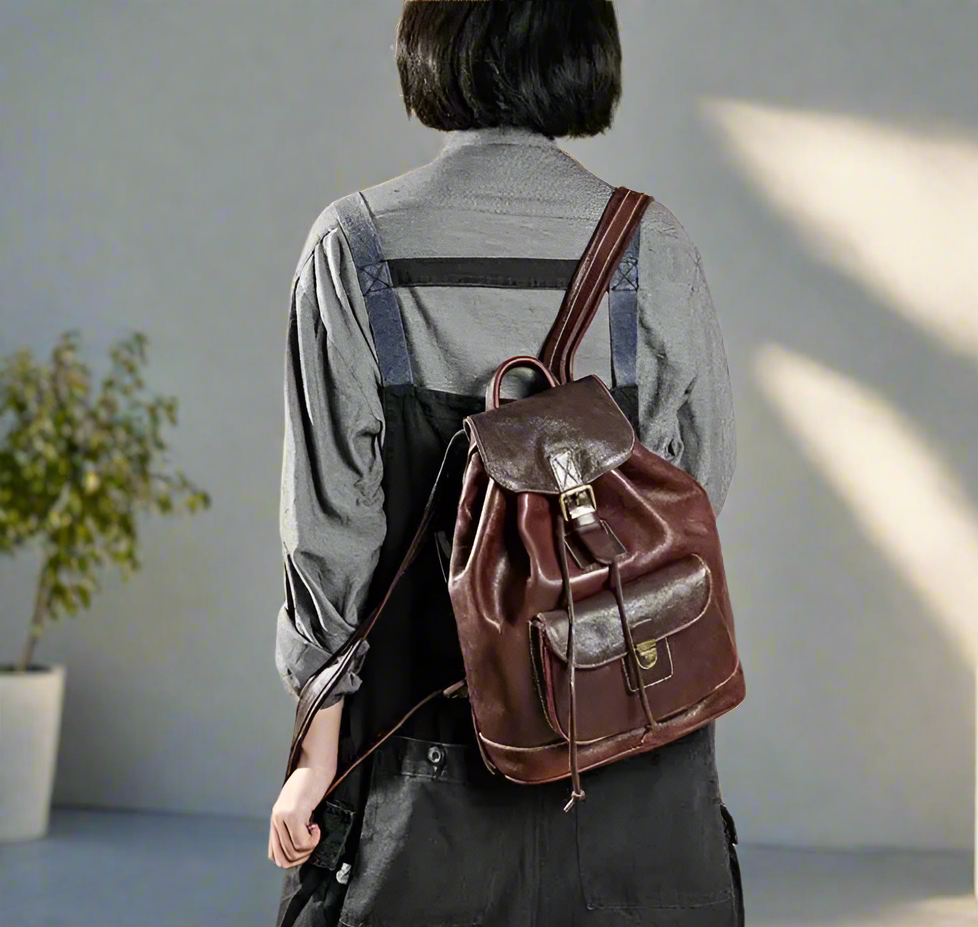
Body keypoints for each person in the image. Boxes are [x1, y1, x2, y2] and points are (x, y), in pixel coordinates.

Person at [269, 2, 744, 925]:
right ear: (583, 51)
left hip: (419, 756)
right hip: (626, 745)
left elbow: (331, 531)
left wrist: (316, 748)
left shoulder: (354, 245)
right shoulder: (651, 244)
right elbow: (699, 483)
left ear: (433, 45)